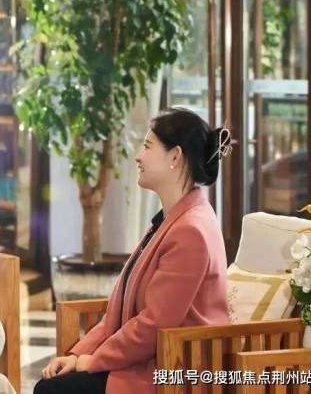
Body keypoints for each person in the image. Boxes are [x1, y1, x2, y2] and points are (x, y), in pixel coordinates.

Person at [35, 107, 233, 394]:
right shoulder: (171, 219)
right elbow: (117, 315)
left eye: (147, 146)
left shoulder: (191, 231)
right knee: (52, 384)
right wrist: (79, 355)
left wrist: (93, 361)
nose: (138, 156)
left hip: (175, 372)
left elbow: (154, 324)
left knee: (51, 390)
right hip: (148, 360)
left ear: (175, 157)